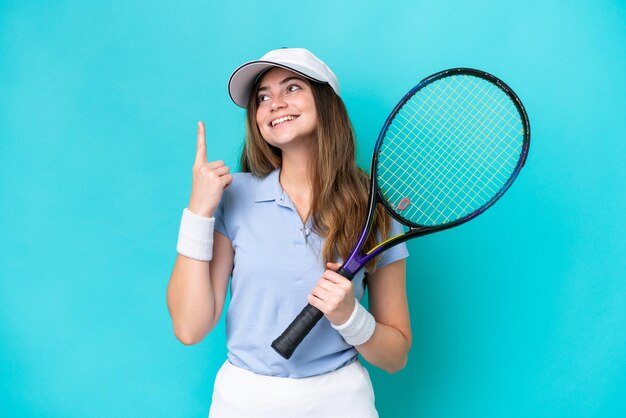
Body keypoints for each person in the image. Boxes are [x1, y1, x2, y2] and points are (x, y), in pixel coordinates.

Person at [167, 48, 411, 418]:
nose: (274, 104)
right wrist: (198, 212)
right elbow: (189, 327)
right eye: (262, 97)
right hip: (244, 402)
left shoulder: (373, 209)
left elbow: (395, 357)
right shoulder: (233, 196)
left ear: (325, 101)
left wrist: (350, 317)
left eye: (291, 88)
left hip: (342, 402)